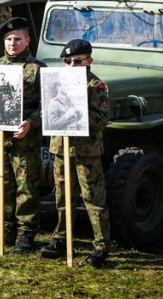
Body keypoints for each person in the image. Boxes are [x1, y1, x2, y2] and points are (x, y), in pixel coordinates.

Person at [40, 40, 111, 268]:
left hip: (86, 152)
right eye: (68, 61)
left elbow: (102, 121)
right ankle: (62, 238)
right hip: (61, 150)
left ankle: (101, 245)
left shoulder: (96, 86)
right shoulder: (58, 83)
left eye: (77, 61)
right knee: (62, 197)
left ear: (89, 61)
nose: (72, 65)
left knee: (93, 198)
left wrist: (79, 113)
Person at [0, 17, 43, 253]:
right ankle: (3, 230)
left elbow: (47, 107)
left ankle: (26, 234)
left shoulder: (37, 69)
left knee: (26, 187)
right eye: (8, 39)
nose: (12, 43)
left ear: (27, 40)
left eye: (17, 39)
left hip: (24, 140)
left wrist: (31, 123)